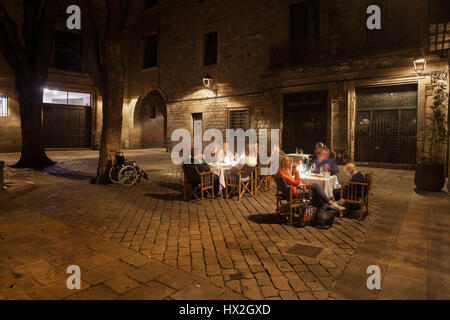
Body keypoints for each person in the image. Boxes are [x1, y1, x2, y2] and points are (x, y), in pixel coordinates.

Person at [275, 156, 345, 211]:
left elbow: (292, 184)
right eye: (290, 165)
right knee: (316, 191)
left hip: (293, 191)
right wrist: (296, 171)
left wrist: (300, 187)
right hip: (294, 193)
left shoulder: (281, 173)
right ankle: (328, 204)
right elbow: (296, 182)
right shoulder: (284, 174)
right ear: (287, 165)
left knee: (316, 186)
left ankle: (329, 204)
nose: (291, 167)